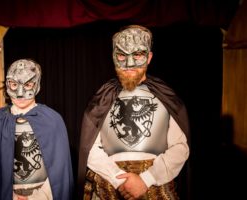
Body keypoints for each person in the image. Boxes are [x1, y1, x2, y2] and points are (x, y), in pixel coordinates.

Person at [77, 25, 190, 200]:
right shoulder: (102, 98)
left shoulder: (166, 97)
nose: (129, 64)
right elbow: (89, 149)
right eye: (122, 55)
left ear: (149, 57)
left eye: (137, 55)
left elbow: (180, 147)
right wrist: (119, 180)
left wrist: (146, 179)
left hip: (155, 189)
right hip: (108, 186)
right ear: (113, 57)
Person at [0, 59, 74, 200]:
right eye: (14, 84)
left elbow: (59, 170)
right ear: (7, 85)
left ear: (36, 85)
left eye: (28, 84)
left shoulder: (52, 120)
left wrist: (37, 197)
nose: (20, 93)